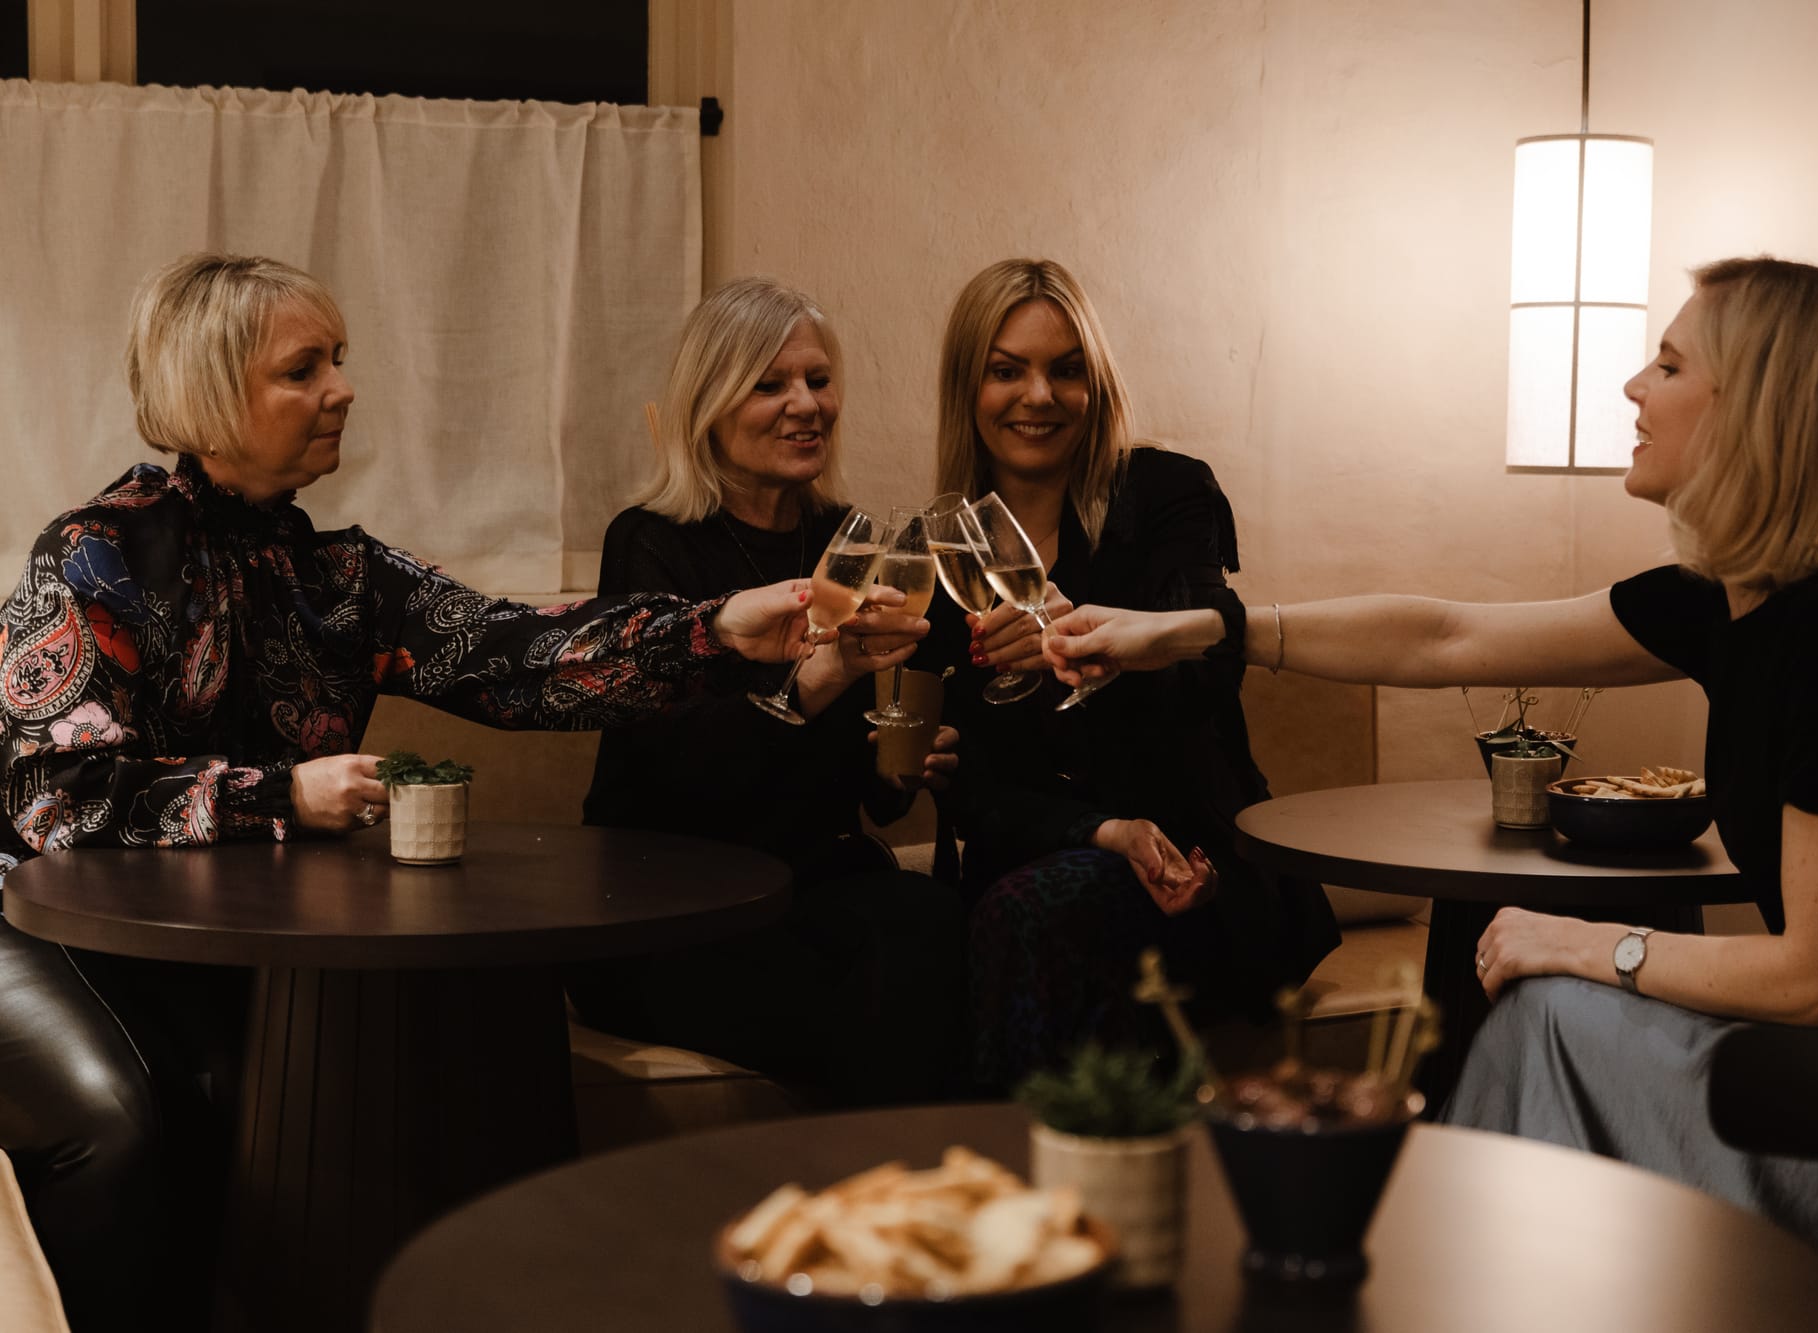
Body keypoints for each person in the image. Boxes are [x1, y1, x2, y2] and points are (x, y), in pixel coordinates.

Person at [1043, 256, 1818, 1326]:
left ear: (1760, 403)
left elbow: (1815, 980)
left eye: (1668, 364)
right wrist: (1200, 629)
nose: (1632, 387)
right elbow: (1444, 636)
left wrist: (1586, 943)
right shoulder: (1736, 599)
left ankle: (1405, 1287)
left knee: (1551, 1013)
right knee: (1547, 1022)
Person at [0, 253, 834, 1332]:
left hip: (218, 942)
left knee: (347, 1102)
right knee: (124, 1125)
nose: (343, 388)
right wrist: (281, 797)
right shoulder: (91, 554)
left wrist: (718, 629)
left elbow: (522, 655)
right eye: (304, 368)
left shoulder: (341, 578)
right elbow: (54, 794)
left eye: (338, 360)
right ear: (211, 391)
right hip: (38, 923)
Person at [921, 258, 1339, 1092]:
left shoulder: (1168, 494)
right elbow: (973, 786)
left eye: (1065, 369)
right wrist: (1097, 829)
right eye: (1007, 370)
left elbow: (1208, 673)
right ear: (969, 386)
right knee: (986, 922)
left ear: (1097, 383)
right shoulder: (948, 553)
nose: (1039, 395)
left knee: (1036, 922)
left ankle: (1054, 1162)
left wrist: (1095, 647)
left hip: (1197, 862)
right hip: (1045, 860)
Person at [568, 276, 966, 1105]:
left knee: (937, 926)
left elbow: (873, 792)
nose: (806, 405)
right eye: (769, 384)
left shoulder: (848, 541)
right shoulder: (649, 542)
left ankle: (906, 1170)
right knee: (861, 996)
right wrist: (815, 680)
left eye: (818, 380)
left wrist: (902, 765)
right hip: (666, 902)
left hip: (809, 885)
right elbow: (674, 764)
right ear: (708, 404)